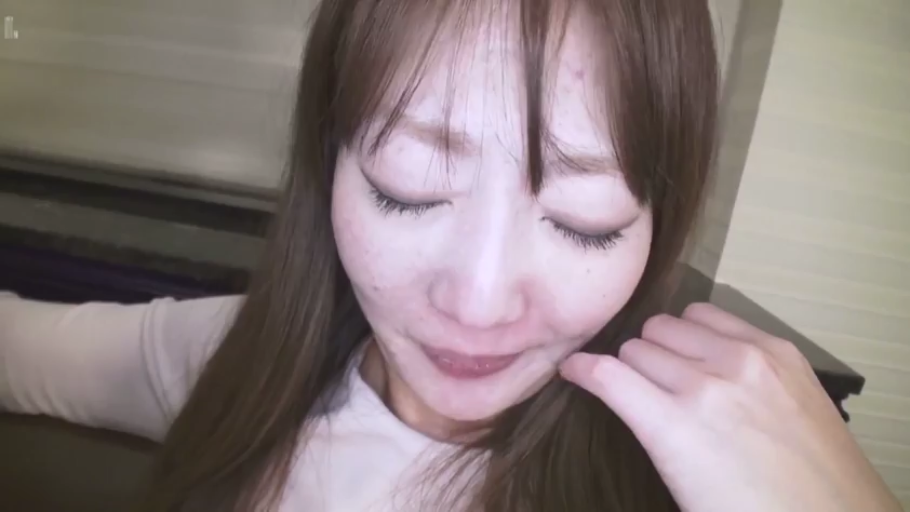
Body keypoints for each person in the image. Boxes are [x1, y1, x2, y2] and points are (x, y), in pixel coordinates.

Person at [0, 0, 901, 511]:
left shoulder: (680, 488)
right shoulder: (234, 363)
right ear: (329, 167)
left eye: (585, 221)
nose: (477, 304)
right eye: (407, 187)